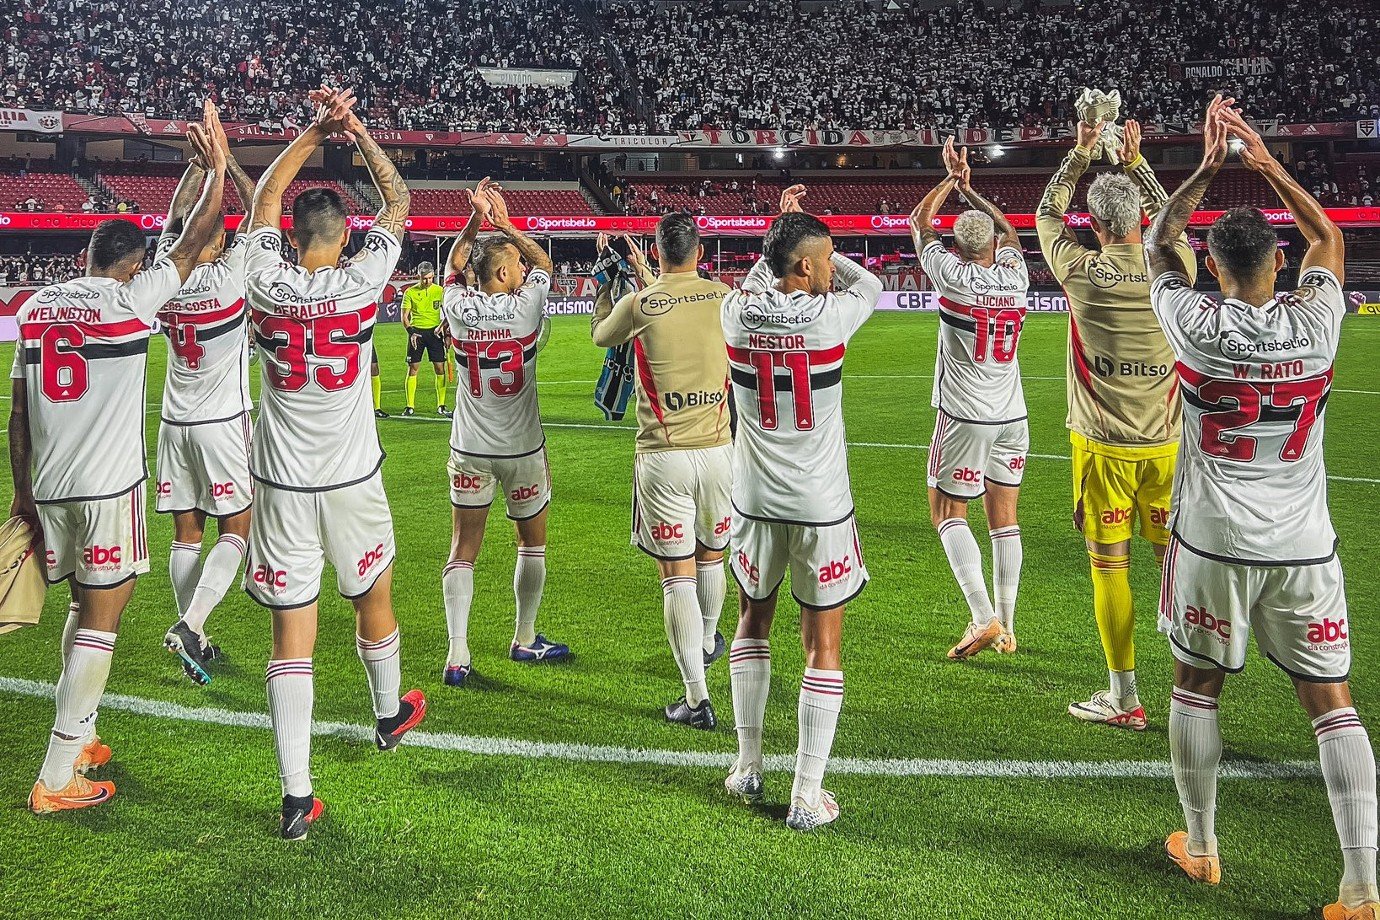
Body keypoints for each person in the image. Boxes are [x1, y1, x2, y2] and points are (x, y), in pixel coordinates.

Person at [1147, 95, 1377, 920]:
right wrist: (1264, 159)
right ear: (1278, 260)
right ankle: (1360, 886)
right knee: (1331, 702)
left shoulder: (1191, 319)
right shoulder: (1318, 320)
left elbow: (1155, 242)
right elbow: (1332, 238)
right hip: (1305, 542)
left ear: (1212, 265)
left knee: (1195, 686)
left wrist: (1206, 167)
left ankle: (1202, 847)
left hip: (1211, 542)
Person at [14, 104, 227, 814]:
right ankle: (55, 775)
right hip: (108, 491)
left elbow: (17, 417)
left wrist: (21, 497)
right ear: (132, 264)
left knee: (82, 606)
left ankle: (82, 741)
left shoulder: (37, 306)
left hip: (46, 486)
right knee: (103, 619)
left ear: (84, 256)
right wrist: (217, 168)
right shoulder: (135, 302)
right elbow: (193, 244)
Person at [241, 86, 425, 841]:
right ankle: (387, 715)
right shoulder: (362, 278)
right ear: (345, 239)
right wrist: (354, 130)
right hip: (350, 479)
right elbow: (400, 198)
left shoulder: (263, 277)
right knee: (371, 595)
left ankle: (295, 799)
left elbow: (265, 194)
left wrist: (313, 133)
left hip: (281, 484)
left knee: (293, 638)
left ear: (291, 236)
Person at [722, 185, 881, 830]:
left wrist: (786, 236)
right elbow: (864, 283)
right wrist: (819, 255)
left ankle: (747, 767)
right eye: (827, 255)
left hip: (754, 503)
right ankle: (806, 792)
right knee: (822, 642)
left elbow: (770, 273)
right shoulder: (831, 316)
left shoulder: (734, 312)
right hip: (821, 506)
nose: (836, 261)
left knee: (752, 622)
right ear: (809, 268)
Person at [1036, 116, 1195, 731]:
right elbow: (1172, 222)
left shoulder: (1080, 271)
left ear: (1096, 226)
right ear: (1138, 221)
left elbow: (1048, 217)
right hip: (1169, 445)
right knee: (1175, 565)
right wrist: (1137, 162)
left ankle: (1124, 696)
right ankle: (1193, 691)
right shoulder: (1174, 263)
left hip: (1103, 445)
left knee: (1111, 566)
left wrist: (1077, 157)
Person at [590, 216, 733, 729]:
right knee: (713, 554)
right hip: (720, 451)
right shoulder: (724, 296)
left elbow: (602, 336)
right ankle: (710, 637)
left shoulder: (641, 304)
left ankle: (696, 699)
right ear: (698, 250)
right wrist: (646, 271)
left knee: (676, 573)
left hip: (663, 456)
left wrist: (611, 284)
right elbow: (684, 303)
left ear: (657, 249)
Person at [437, 177, 570, 687]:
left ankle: (458, 655)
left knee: (462, 549)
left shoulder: (458, 307)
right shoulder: (527, 306)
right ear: (501, 270)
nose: (522, 270)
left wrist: (475, 219)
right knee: (531, 546)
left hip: (470, 447)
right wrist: (506, 223)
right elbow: (545, 265)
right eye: (513, 264)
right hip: (522, 449)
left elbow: (454, 267)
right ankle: (525, 637)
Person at [911, 138, 1029, 660]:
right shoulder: (1017, 274)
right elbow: (1007, 232)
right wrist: (974, 190)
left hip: (965, 414)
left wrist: (949, 181)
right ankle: (1007, 625)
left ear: (957, 247)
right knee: (1004, 518)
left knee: (947, 510)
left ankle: (982, 617)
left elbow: (919, 221)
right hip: (1013, 413)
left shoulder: (953, 275)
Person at [157, 126, 259, 685]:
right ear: (218, 242)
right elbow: (262, 209)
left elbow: (178, 221)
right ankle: (193, 623)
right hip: (221, 423)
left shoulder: (163, 276)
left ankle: (190, 626)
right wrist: (223, 165)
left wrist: (199, 168)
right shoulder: (229, 275)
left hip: (174, 422)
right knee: (236, 530)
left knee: (185, 533)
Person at [401, 261, 449, 417]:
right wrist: (411, 332)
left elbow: (449, 313)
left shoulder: (440, 291)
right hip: (417, 334)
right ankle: (409, 406)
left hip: (435, 333)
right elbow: (404, 317)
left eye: (430, 278)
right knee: (413, 368)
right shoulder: (410, 292)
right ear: (418, 276)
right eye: (424, 279)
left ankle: (441, 405)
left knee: (440, 368)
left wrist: (443, 328)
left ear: (433, 276)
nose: (428, 281)